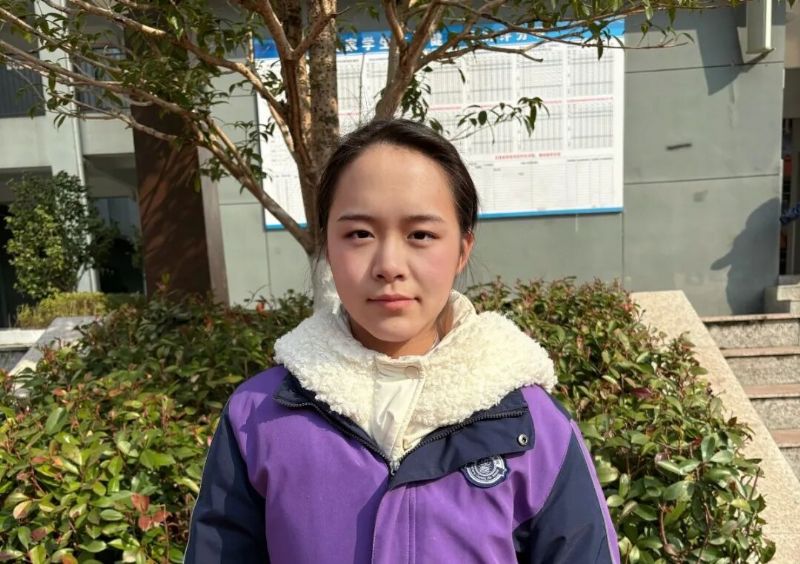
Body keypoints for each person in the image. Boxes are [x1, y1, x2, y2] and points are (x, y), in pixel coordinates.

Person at [184, 119, 620, 563]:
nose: (389, 264)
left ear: (462, 249)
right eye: (359, 234)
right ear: (327, 247)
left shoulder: (533, 425)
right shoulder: (257, 418)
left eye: (420, 235)